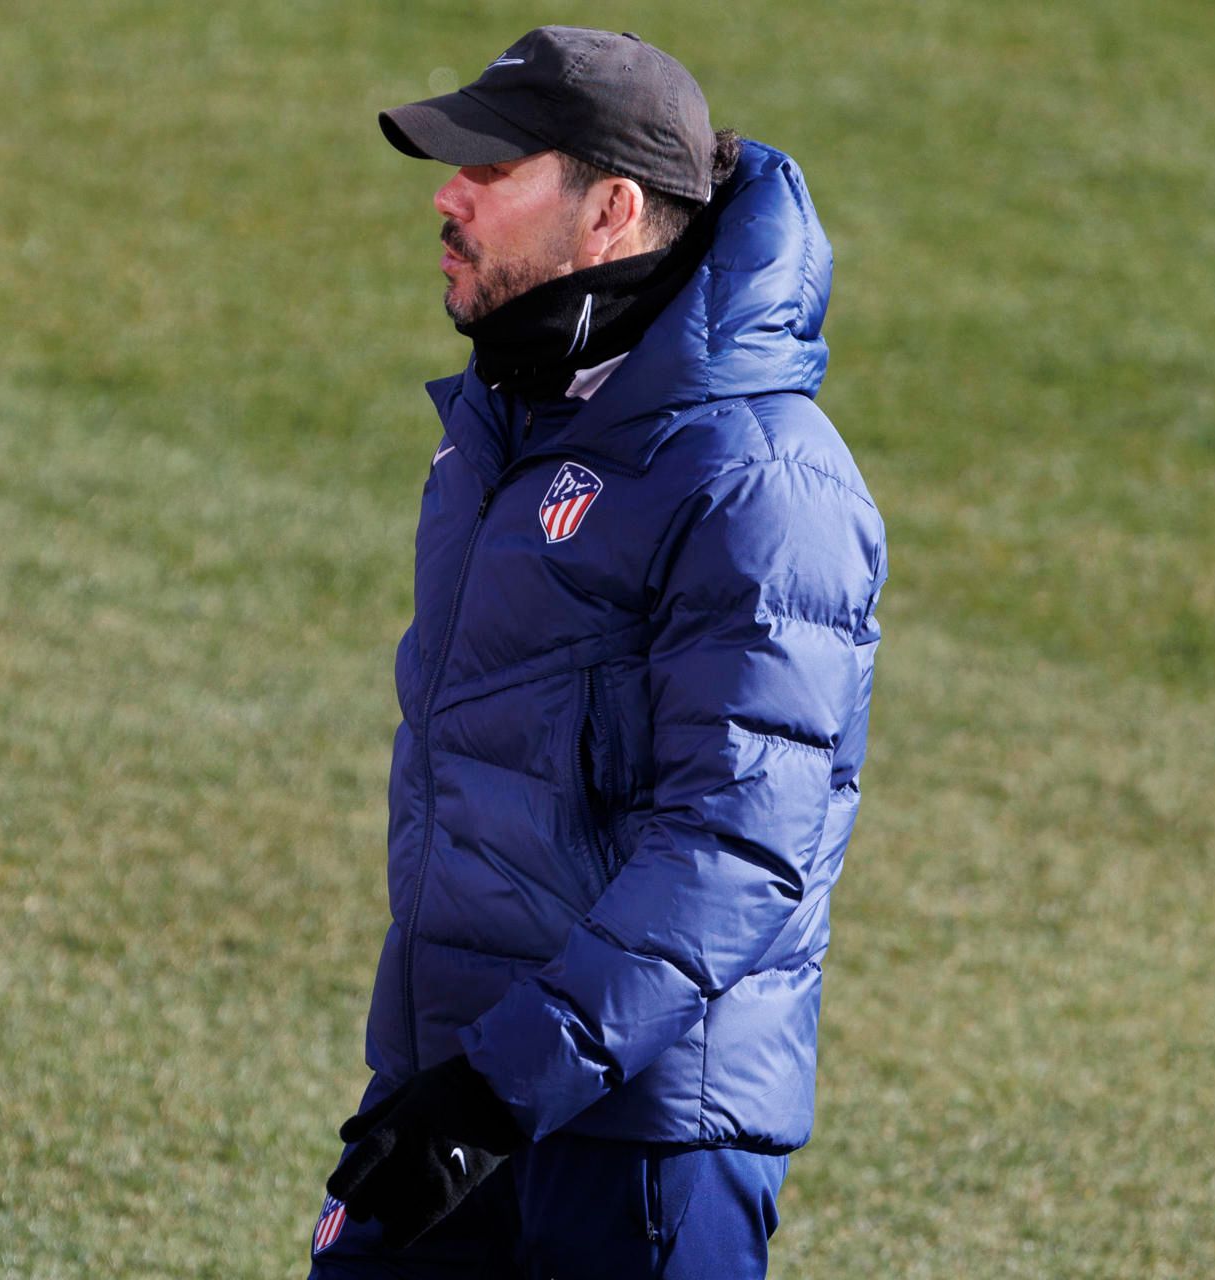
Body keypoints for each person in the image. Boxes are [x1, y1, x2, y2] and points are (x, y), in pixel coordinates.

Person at [306, 27, 887, 1280]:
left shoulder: (757, 482)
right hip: (454, 1089)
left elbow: (737, 847)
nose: (447, 197)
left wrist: (498, 1091)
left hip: (641, 1141)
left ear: (610, 209)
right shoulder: (498, 427)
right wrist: (448, 1087)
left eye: (491, 169)